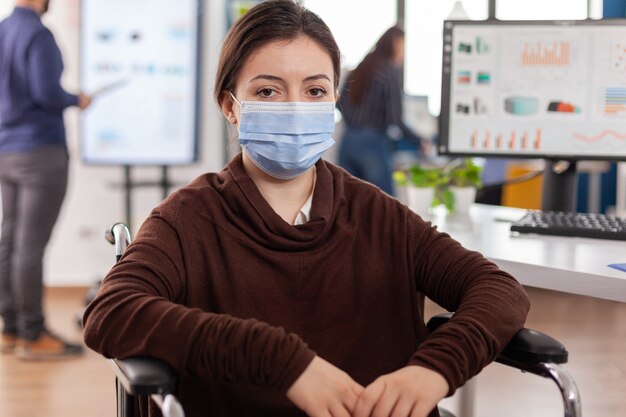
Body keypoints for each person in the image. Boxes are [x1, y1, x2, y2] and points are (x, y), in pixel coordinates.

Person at [83, 1, 529, 417]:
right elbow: (111, 312)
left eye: (315, 90)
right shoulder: (187, 220)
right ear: (229, 106)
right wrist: (278, 360)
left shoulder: (379, 216)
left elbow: (498, 290)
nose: (296, 107)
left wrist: (434, 369)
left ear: (334, 99)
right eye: (268, 91)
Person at [0, 0, 92, 359]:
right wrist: (77, 98)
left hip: (6, 152)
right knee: (30, 245)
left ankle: (10, 328)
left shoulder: (3, 30)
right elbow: (48, 94)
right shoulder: (38, 34)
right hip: (40, 152)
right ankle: (33, 334)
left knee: (10, 241)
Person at [338, 26, 423, 196]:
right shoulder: (389, 71)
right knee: (384, 206)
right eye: (402, 46)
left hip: (348, 140)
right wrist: (418, 140)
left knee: (349, 203)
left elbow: (339, 104)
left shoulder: (360, 68)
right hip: (372, 143)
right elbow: (395, 118)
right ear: (394, 44)